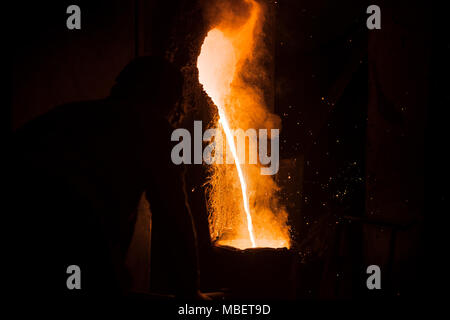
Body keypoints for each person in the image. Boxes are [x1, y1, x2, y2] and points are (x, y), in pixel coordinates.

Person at [11, 56, 205, 300]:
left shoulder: (65, 116)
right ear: (166, 97)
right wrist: (189, 293)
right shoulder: (151, 128)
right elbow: (173, 218)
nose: (176, 113)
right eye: (176, 102)